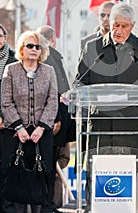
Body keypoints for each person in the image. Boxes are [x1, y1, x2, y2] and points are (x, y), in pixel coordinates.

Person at [73, 2, 138, 212]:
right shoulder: (93, 48)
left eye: (124, 26)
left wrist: (132, 95)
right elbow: (79, 82)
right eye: (115, 25)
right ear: (108, 23)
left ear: (132, 26)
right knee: (96, 171)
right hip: (100, 123)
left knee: (132, 172)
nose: (118, 30)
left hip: (132, 123)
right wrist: (78, 94)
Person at [1, 30, 58, 213]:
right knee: (16, 176)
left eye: (37, 47)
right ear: (21, 49)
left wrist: (41, 127)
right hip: (16, 132)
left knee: (42, 174)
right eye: (30, 46)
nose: (34, 50)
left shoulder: (49, 71)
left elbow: (52, 101)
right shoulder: (11, 69)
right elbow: (6, 101)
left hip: (42, 133)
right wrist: (19, 126)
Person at [36, 25, 72, 213]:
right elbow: (55, 92)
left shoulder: (53, 57)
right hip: (50, 120)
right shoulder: (50, 57)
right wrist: (57, 118)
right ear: (53, 39)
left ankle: (47, 204)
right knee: (46, 165)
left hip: (54, 120)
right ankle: (45, 205)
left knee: (49, 165)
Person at [0, 24, 17, 213]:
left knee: (7, 167)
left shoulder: (14, 59)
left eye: (0, 35)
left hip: (9, 122)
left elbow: (13, 93)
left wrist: (4, 116)